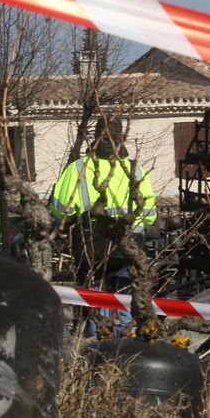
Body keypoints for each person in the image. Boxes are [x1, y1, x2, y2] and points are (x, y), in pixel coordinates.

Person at [50, 117, 157, 289]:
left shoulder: (77, 168)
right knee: (126, 301)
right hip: (129, 245)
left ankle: (95, 316)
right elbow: (149, 216)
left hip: (90, 247)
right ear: (122, 138)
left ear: (95, 136)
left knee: (93, 302)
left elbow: (60, 212)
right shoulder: (136, 170)